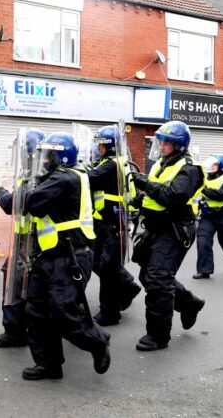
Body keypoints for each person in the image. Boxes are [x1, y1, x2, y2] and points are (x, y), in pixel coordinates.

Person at [20, 132, 111, 380]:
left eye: (50, 154)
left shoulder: (65, 178)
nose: (46, 159)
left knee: (62, 313)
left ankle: (97, 341)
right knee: (37, 311)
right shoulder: (61, 176)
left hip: (68, 256)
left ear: (61, 156)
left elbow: (31, 203)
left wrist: (3, 195)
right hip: (50, 254)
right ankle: (48, 364)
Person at [129, 120, 206, 351]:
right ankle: (189, 303)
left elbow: (173, 197)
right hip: (155, 228)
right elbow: (156, 197)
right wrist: (140, 201)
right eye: (161, 142)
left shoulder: (189, 170)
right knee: (147, 276)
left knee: (158, 280)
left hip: (174, 230)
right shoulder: (160, 165)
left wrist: (146, 185)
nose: (162, 147)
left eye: (167, 143)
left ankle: (158, 335)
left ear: (180, 146)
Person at [0, 129, 44, 348]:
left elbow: (14, 203)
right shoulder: (38, 174)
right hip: (34, 240)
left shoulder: (36, 177)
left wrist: (0, 192)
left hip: (31, 242)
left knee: (14, 281)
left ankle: (15, 331)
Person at [87, 125, 142, 326]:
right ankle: (127, 285)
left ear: (108, 146)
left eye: (101, 144)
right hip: (104, 221)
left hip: (112, 223)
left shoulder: (112, 164)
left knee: (108, 270)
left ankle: (110, 312)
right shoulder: (110, 162)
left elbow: (89, 179)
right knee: (97, 263)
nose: (98, 148)